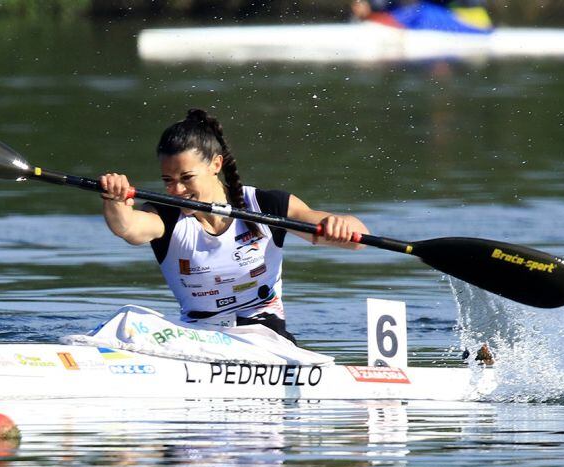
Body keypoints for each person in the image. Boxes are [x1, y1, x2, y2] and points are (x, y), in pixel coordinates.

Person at [99, 109, 369, 344]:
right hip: (197, 338)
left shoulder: (266, 205)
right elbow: (128, 228)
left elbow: (359, 238)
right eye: (168, 180)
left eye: (187, 177)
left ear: (216, 164)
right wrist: (115, 200)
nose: (177, 190)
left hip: (265, 340)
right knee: (128, 319)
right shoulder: (166, 216)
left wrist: (341, 226)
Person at [351, 0, 493, 33]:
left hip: (475, 24)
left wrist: (372, 8)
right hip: (470, 19)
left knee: (419, 10)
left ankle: (376, 18)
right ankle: (375, 17)